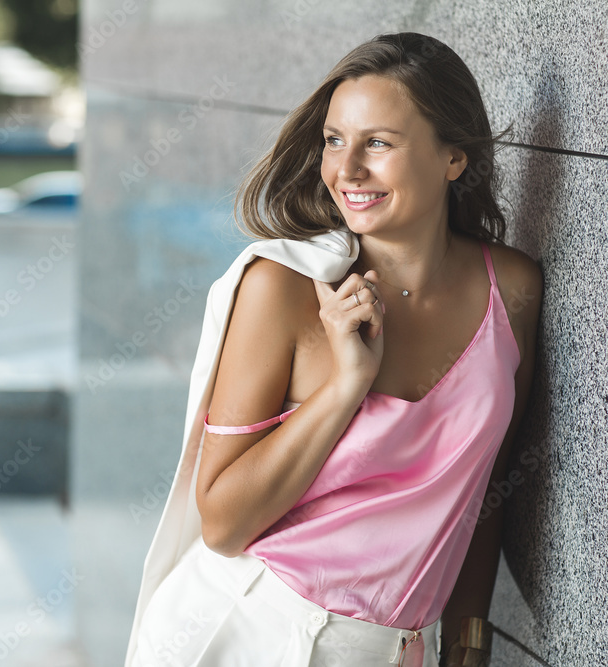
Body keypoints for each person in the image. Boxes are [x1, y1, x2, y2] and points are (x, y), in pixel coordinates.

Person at [126, 32, 542, 667]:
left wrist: (467, 643)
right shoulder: (284, 291)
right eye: (334, 140)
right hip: (245, 632)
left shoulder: (510, 290)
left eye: (377, 143)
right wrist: (345, 386)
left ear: (453, 157)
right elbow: (223, 523)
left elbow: (485, 489)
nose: (346, 170)